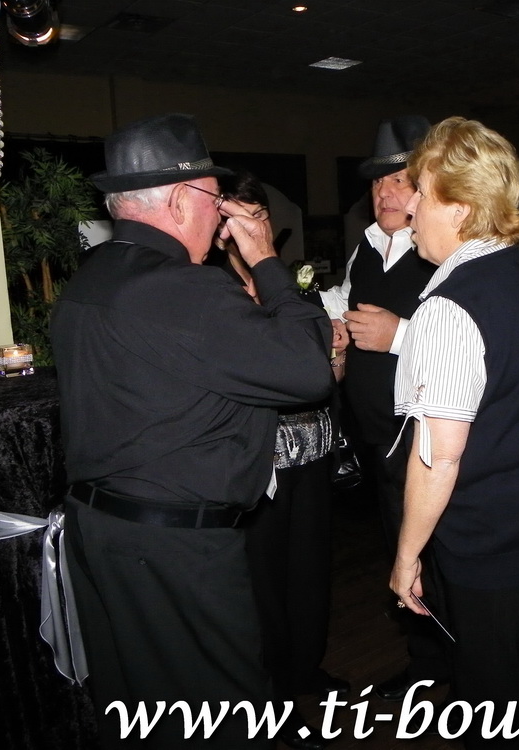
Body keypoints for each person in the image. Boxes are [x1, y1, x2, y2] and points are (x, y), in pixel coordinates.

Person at [50, 113, 333, 748]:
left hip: (99, 533)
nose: (220, 214)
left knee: (137, 708)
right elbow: (310, 371)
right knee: (223, 712)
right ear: (181, 199)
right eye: (214, 198)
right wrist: (265, 259)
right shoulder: (186, 290)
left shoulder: (91, 277)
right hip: (175, 548)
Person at [390, 117, 519, 749]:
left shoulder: (452, 304)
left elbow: (438, 458)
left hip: (497, 530)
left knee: (493, 694)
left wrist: (407, 555)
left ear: (461, 207)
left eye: (422, 193)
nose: (410, 208)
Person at [209, 169, 346, 750]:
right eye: (236, 217)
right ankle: (271, 699)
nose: (248, 228)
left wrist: (336, 355)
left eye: (257, 216)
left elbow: (325, 375)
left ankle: (304, 667)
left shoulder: (291, 281)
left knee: (309, 569)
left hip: (311, 450)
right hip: (254, 460)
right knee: (261, 582)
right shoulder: (209, 288)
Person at [318, 115, 450, 702]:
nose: (384, 193)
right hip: (380, 435)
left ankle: (454, 667)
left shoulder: (444, 254)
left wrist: (399, 335)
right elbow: (348, 302)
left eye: (398, 179)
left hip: (430, 439)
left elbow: (470, 344)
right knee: (404, 550)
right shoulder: (367, 247)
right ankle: (428, 661)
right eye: (377, 182)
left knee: (438, 554)